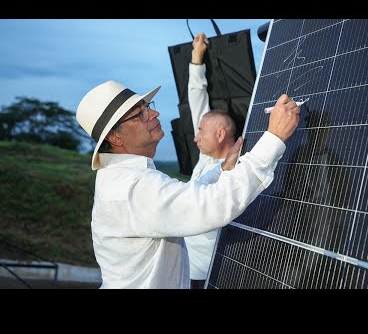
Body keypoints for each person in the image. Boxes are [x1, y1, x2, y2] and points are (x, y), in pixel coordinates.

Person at [76, 65, 300, 290]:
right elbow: (211, 205)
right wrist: (274, 138)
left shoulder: (125, 179)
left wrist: (220, 171)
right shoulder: (131, 188)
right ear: (115, 137)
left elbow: (186, 197)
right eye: (139, 113)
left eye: (148, 107)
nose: (154, 113)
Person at [185, 32, 237, 289]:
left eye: (201, 132)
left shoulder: (236, 171)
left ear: (220, 134)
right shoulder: (204, 157)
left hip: (213, 274)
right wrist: (197, 58)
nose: (195, 138)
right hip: (188, 270)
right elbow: (197, 98)